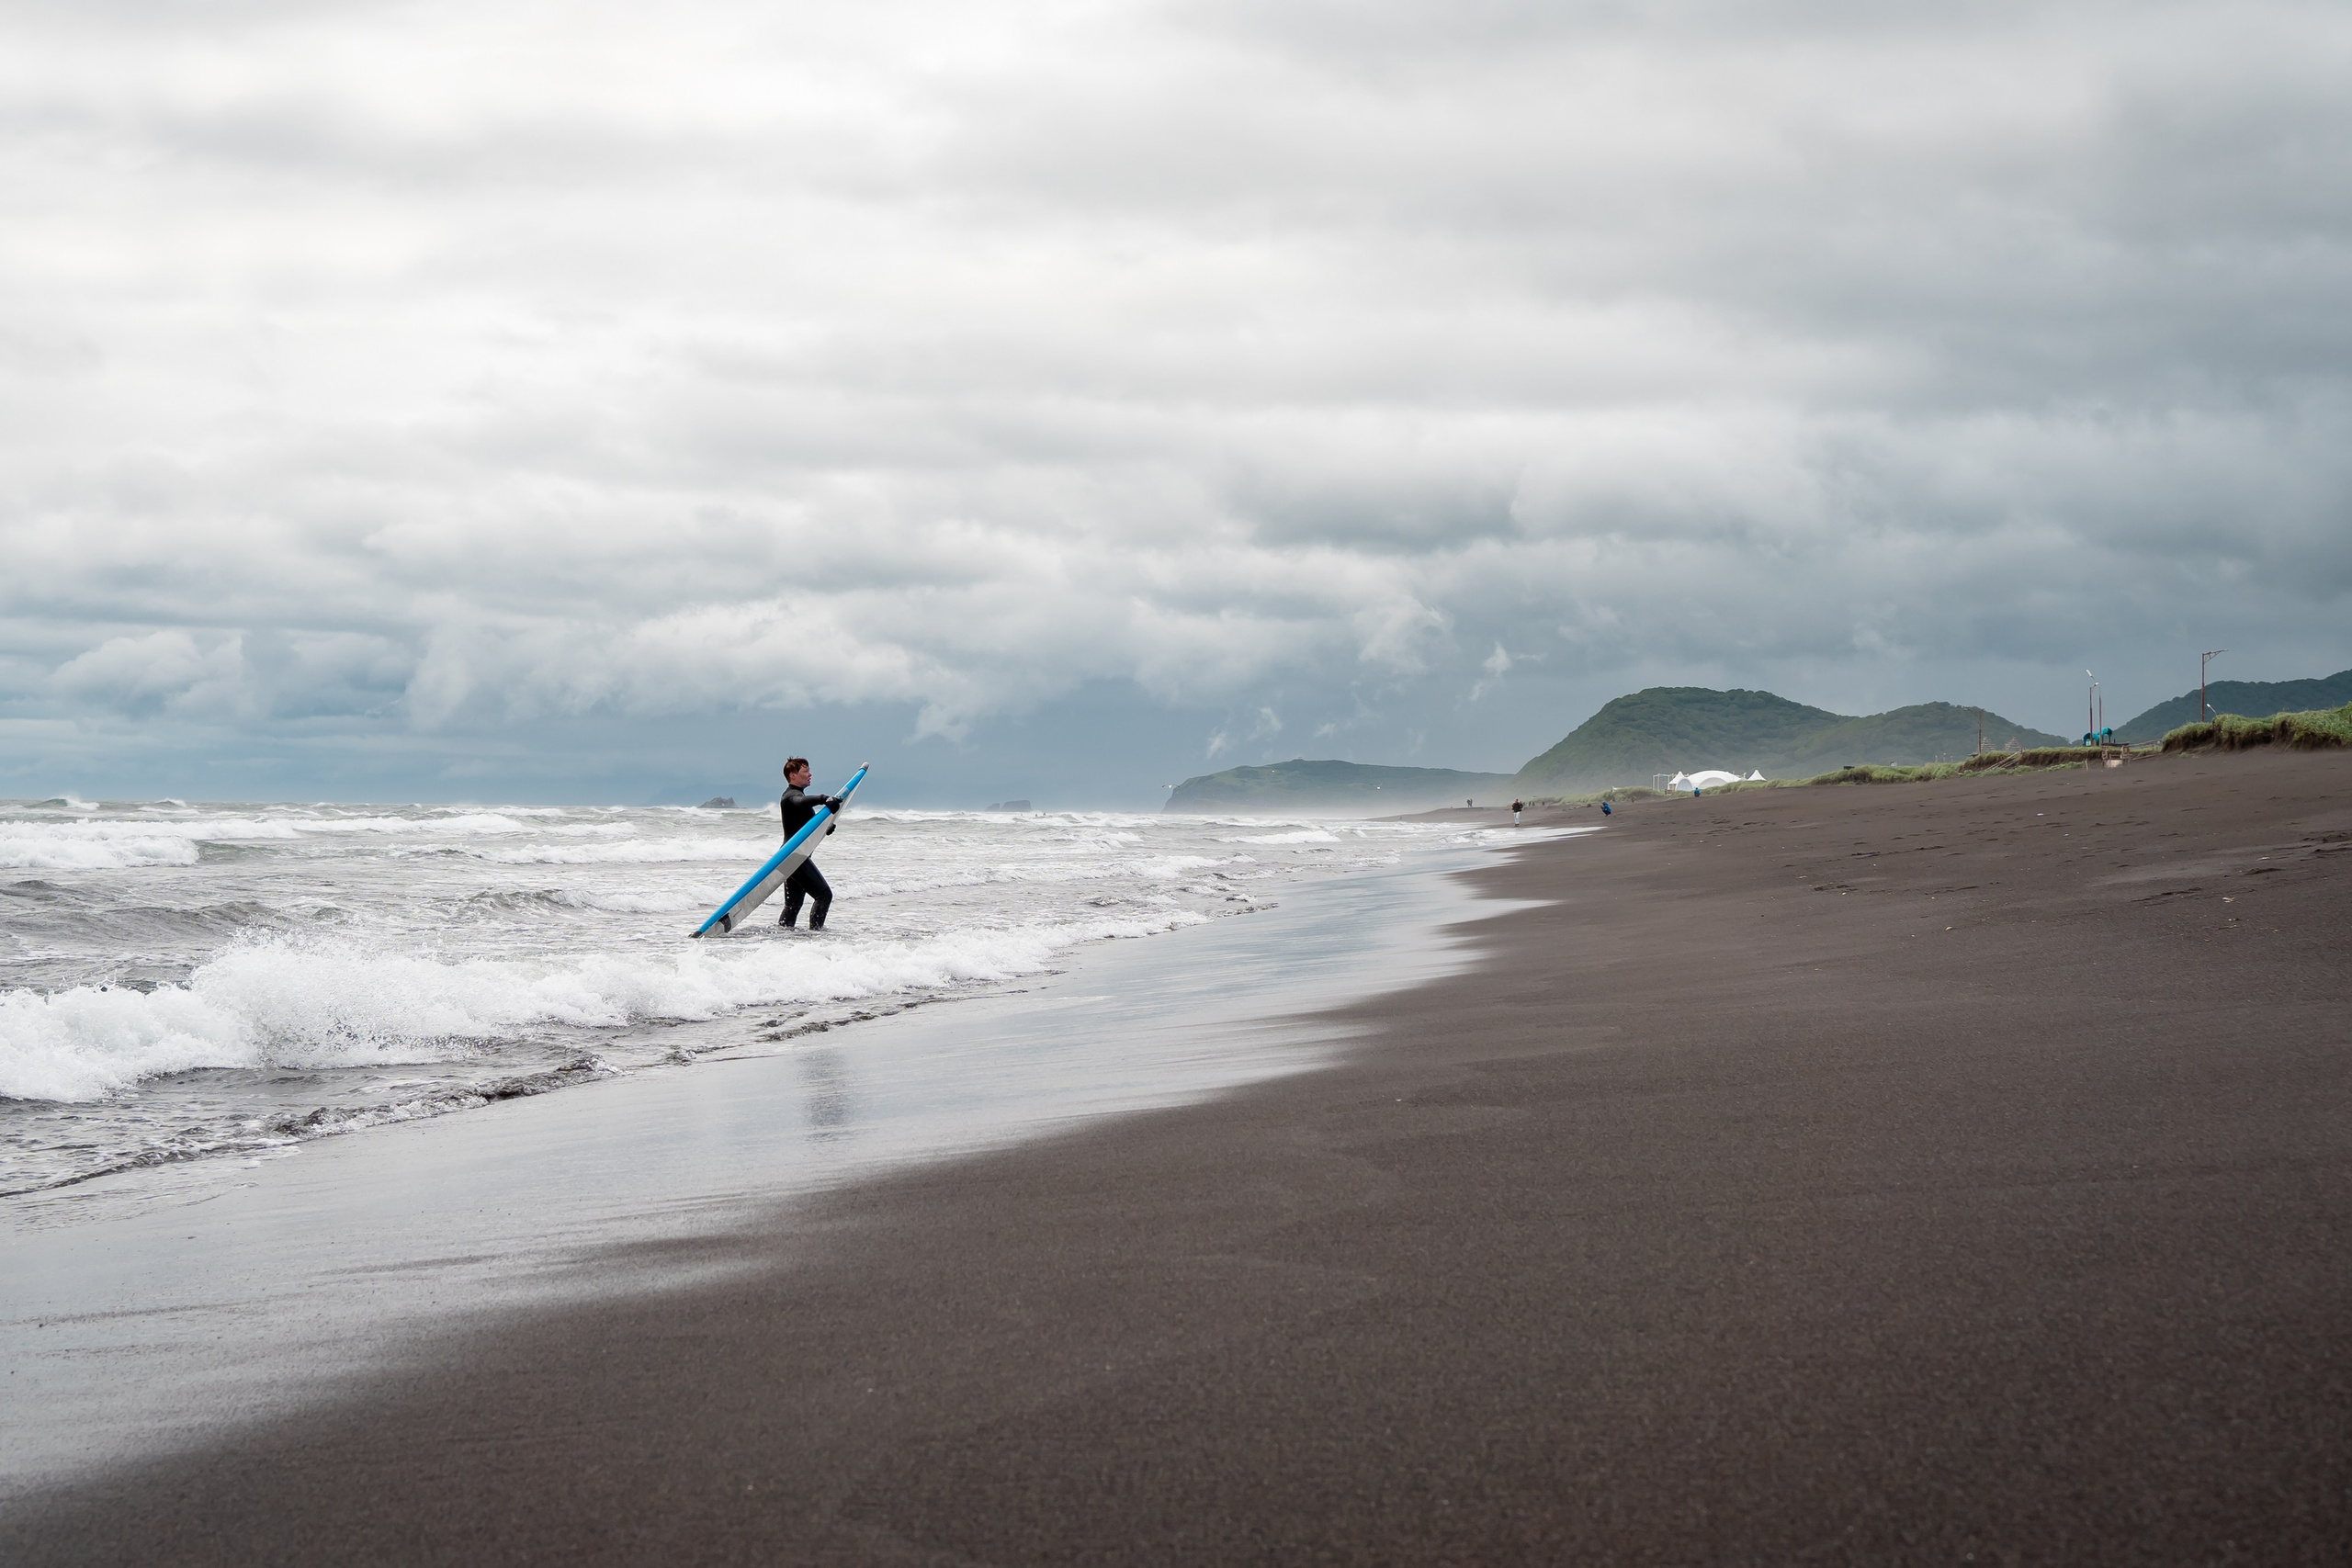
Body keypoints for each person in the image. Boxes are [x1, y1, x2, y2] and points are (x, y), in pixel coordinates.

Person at [777, 757, 842, 930]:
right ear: (793, 775)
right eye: (805, 771)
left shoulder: (797, 797)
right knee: (824, 895)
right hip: (794, 857)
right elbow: (799, 802)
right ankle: (816, 935)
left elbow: (807, 829)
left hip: (790, 857)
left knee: (793, 905)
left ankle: (783, 935)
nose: (810, 774)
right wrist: (823, 798)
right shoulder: (791, 796)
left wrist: (825, 828)